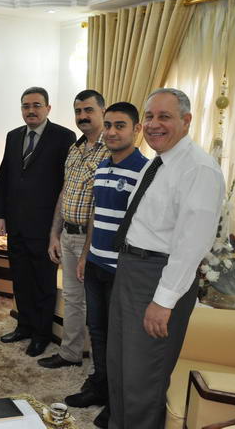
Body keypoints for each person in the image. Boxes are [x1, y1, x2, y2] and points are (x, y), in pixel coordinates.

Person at [107, 88, 225, 428]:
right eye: (149, 116)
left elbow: (192, 245)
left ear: (186, 121)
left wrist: (164, 301)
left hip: (158, 277)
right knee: (119, 367)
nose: (154, 124)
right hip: (130, 270)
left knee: (143, 377)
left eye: (165, 117)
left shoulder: (199, 169)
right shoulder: (158, 162)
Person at [64, 102, 148, 428]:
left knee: (119, 338)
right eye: (109, 125)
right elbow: (96, 217)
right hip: (96, 262)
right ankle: (99, 386)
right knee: (97, 330)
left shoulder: (145, 171)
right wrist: (86, 254)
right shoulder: (101, 167)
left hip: (121, 270)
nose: (111, 132)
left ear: (136, 130)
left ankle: (117, 402)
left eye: (120, 126)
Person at [0, 87, 76, 356]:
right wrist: (1, 215)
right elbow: (5, 177)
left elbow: (65, 184)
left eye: (36, 105)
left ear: (48, 108)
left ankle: (41, 334)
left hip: (45, 226)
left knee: (43, 282)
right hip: (16, 223)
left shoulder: (64, 137)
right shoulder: (13, 136)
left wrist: (58, 227)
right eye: (26, 106)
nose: (31, 110)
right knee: (21, 279)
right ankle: (24, 326)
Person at [40, 90, 109, 368]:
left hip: (90, 240)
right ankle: (70, 353)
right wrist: (54, 234)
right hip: (67, 235)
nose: (82, 116)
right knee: (72, 298)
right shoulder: (75, 148)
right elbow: (64, 192)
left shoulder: (110, 150)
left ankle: (99, 367)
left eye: (89, 110)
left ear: (102, 111)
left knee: (95, 303)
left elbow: (100, 205)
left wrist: (87, 251)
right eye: (78, 111)